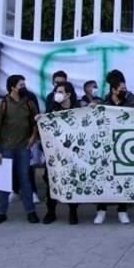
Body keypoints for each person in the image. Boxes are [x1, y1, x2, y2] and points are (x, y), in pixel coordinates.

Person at [0, 74, 41, 225]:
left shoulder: (29, 103)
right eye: (21, 85)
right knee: (3, 182)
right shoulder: (2, 104)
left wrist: (33, 137)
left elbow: (36, 122)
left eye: (24, 84)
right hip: (6, 148)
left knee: (25, 180)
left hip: (23, 148)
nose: (24, 87)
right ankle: (1, 212)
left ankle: (31, 211)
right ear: (12, 87)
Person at [95, 71, 134, 224]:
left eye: (125, 88)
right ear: (113, 90)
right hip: (107, 146)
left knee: (123, 178)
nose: (124, 91)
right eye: (121, 88)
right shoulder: (104, 102)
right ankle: (101, 210)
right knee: (104, 178)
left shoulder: (130, 99)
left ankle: (122, 210)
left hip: (125, 144)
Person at [41, 82, 80, 225]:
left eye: (61, 91)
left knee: (72, 181)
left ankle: (73, 211)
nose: (57, 94)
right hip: (55, 153)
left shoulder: (77, 109)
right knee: (52, 181)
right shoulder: (52, 110)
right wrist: (40, 119)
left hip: (72, 154)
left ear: (68, 94)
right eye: (56, 91)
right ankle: (50, 212)